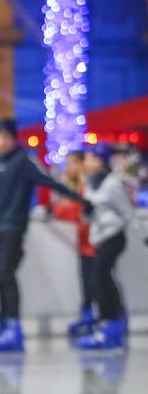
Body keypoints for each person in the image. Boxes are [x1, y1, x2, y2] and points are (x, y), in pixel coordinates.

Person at [0, 117, 87, 353]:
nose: (0, 141)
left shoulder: (24, 162)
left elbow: (49, 181)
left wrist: (80, 200)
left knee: (5, 273)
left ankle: (14, 329)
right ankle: (3, 325)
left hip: (13, 227)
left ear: (14, 138)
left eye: (5, 136)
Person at [76, 144, 138, 351]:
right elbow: (89, 215)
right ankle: (113, 322)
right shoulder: (90, 184)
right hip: (100, 238)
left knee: (100, 277)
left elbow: (127, 212)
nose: (89, 163)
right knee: (103, 279)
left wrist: (144, 235)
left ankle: (110, 323)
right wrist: (86, 210)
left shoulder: (112, 184)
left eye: (93, 159)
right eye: (88, 159)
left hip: (114, 236)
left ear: (102, 160)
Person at [50, 150, 98, 337]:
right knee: (87, 283)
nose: (68, 168)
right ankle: (89, 316)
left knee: (99, 284)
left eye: (72, 163)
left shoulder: (89, 185)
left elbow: (76, 209)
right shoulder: (74, 186)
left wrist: (59, 209)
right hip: (84, 244)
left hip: (96, 242)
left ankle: (107, 318)